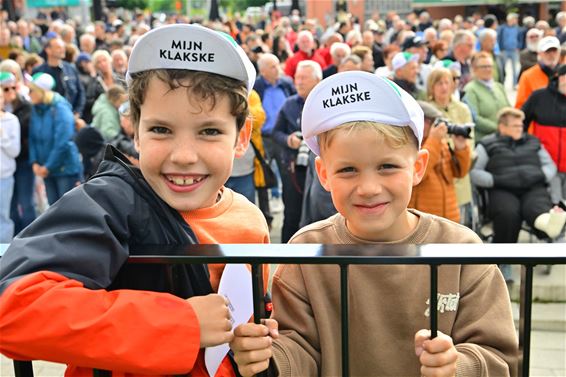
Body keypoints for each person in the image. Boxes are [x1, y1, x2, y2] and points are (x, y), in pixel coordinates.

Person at [0, 24, 269, 376]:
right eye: (161, 130)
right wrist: (180, 323)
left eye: (209, 131)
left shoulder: (250, 221)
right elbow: (14, 308)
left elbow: (256, 316)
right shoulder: (105, 203)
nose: (184, 155)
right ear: (135, 129)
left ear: (242, 135)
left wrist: (257, 348)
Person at [230, 71, 518, 377]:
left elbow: (499, 356)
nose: (368, 187)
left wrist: (459, 365)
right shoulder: (305, 252)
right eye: (348, 170)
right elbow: (298, 345)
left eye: (387, 166)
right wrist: (269, 358)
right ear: (323, 174)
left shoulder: (463, 251)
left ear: (418, 166)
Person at [470, 107, 566, 244]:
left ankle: (549, 226)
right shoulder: (486, 144)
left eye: (521, 125)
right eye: (515, 125)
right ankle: (503, 259)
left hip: (533, 186)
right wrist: (495, 180)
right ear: (502, 127)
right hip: (502, 188)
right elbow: (474, 172)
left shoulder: (533, 142)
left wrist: (540, 175)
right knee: (508, 214)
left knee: (536, 207)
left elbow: (550, 165)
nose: (520, 128)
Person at [272, 60, 322, 242]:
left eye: (304, 78)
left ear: (317, 80)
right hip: (293, 168)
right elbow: (275, 132)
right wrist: (288, 140)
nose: (298, 82)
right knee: (292, 215)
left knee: (316, 217)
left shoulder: (326, 104)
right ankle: (287, 260)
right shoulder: (289, 104)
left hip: (319, 171)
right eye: (296, 78)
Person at [409, 101, 470, 222]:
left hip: (449, 218)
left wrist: (461, 148)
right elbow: (417, 174)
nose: (434, 125)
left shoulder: (440, 143)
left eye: (434, 121)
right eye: (430, 121)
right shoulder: (410, 145)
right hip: (424, 221)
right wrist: (434, 140)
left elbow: (460, 172)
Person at [28, 72, 82, 205]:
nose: (28, 94)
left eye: (31, 90)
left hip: (64, 169)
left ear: (41, 91)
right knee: (53, 211)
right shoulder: (36, 108)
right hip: (47, 169)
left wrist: (48, 166)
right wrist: (34, 161)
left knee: (67, 212)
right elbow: (32, 137)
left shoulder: (60, 108)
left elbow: (63, 142)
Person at [522, 64, 566, 205]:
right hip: (546, 167)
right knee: (553, 210)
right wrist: (528, 147)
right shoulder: (539, 97)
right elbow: (521, 122)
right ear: (558, 77)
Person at [463, 51, 510, 142]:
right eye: (484, 67)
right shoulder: (470, 89)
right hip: (485, 140)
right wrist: (498, 128)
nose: (488, 69)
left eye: (490, 66)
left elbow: (509, 109)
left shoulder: (499, 87)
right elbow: (474, 118)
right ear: (474, 69)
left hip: (505, 137)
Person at [0, 73, 21, 242]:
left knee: (3, 217)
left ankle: (3, 254)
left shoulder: (11, 120)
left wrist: (2, 136)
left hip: (4, 176)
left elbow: (15, 151)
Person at [515, 36, 560, 110]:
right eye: (547, 51)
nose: (551, 55)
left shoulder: (563, 74)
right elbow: (520, 106)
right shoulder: (527, 76)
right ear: (539, 54)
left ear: (559, 53)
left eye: (554, 51)